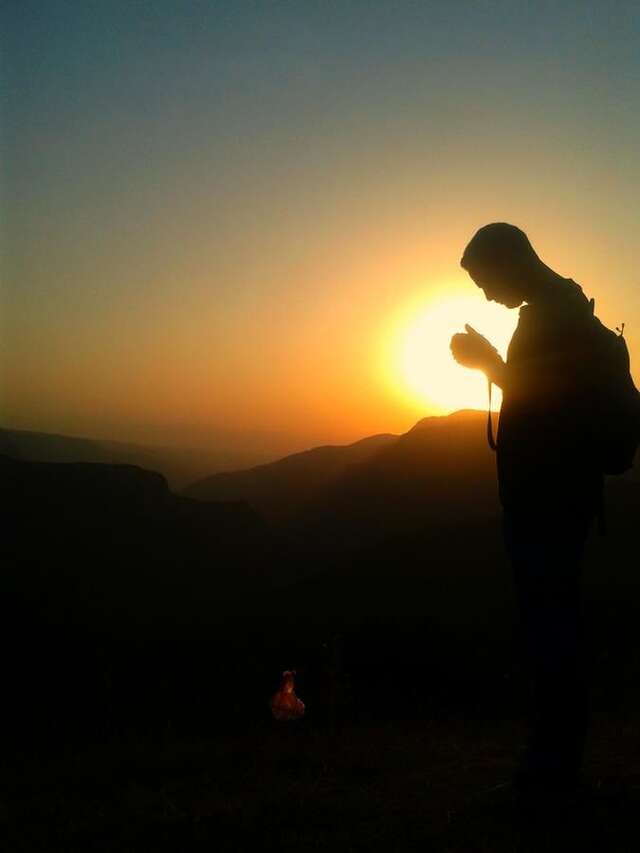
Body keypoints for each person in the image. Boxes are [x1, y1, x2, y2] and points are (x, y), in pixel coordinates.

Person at [450, 223, 603, 805]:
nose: (487, 294)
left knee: (552, 632)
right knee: (552, 627)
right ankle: (551, 769)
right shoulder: (558, 306)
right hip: (558, 497)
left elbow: (546, 404)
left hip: (551, 500)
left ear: (511, 261)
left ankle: (551, 777)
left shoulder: (551, 315)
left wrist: (486, 363)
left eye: (486, 280)